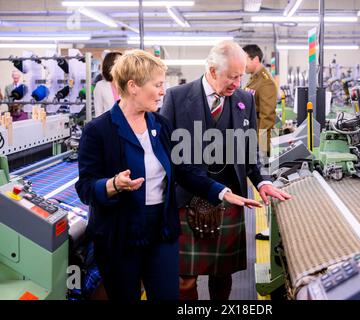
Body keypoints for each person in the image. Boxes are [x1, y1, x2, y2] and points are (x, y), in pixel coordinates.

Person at [75, 49, 260, 301]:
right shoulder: (98, 131)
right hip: (120, 234)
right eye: (158, 84)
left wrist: (221, 191)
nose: (164, 91)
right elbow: (85, 188)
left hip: (162, 230)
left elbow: (182, 169)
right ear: (133, 87)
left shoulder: (159, 126)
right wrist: (113, 185)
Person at [160, 40, 291, 300]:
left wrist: (263, 182)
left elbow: (250, 151)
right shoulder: (177, 97)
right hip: (186, 198)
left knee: (223, 275)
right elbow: (167, 154)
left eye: (241, 76)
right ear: (211, 70)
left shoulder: (244, 100)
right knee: (184, 281)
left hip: (231, 198)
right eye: (232, 77)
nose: (237, 83)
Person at [243, 44, 278, 157]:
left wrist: (260, 148)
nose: (243, 64)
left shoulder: (265, 82)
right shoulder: (254, 78)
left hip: (258, 139)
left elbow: (267, 117)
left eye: (245, 60)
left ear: (256, 59)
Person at [93, 51, 122, 118]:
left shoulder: (127, 84)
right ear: (110, 65)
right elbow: (98, 113)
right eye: (119, 62)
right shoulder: (100, 86)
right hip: (108, 126)